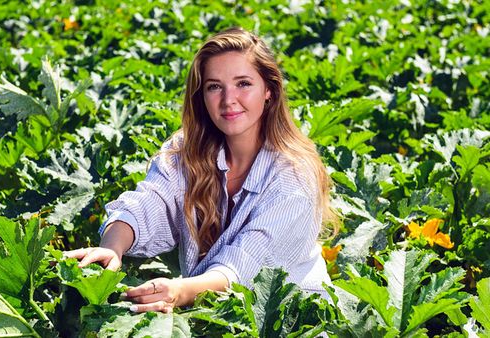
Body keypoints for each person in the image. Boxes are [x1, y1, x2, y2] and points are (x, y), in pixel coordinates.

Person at [65, 27, 337, 314]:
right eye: (214, 86)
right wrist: (112, 246)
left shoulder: (294, 175)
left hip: (294, 322)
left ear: (269, 90)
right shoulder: (187, 150)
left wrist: (180, 290)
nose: (228, 99)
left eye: (243, 83)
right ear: (202, 96)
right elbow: (150, 202)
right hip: (215, 318)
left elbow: (245, 265)